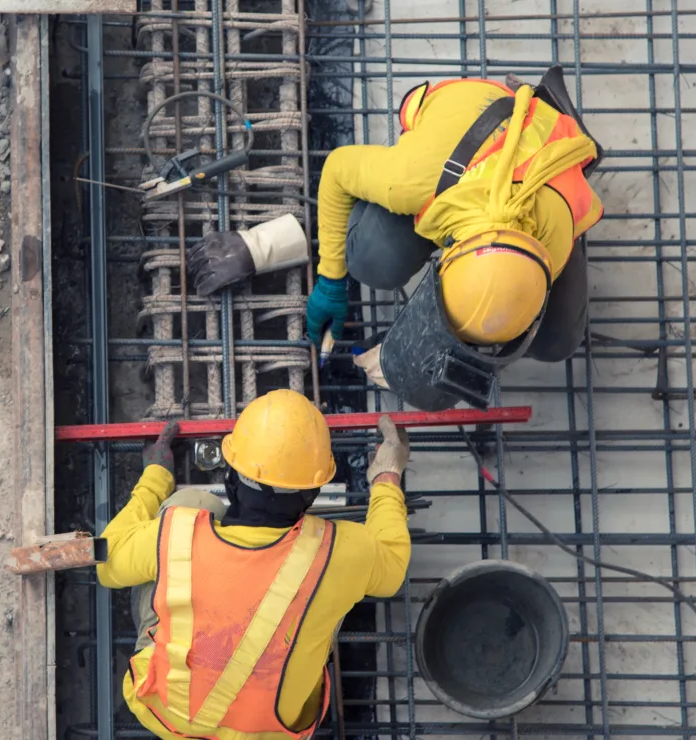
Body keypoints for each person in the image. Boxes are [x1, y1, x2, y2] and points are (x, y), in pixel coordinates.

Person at [96, 390, 412, 740]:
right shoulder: (341, 550)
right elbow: (393, 567)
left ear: (231, 479)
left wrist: (155, 475)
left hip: (170, 714)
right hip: (272, 732)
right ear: (311, 493)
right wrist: (387, 475)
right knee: (329, 587)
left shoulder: (177, 536)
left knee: (189, 502)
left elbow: (107, 564)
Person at [306, 68, 604, 409]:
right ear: (447, 258)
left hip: (546, 165)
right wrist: (331, 277)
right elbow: (335, 171)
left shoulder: (557, 232)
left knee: (556, 342)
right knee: (371, 260)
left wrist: (415, 357)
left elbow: (496, 309)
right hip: (465, 124)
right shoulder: (413, 179)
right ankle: (522, 97)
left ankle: (546, 111)